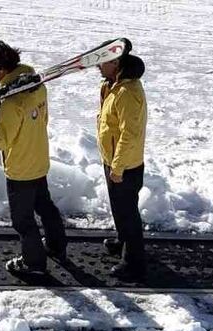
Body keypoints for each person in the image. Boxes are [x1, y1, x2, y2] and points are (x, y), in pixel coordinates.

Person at [0, 41, 67, 277]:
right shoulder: (36, 85)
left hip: (20, 169)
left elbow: (0, 141)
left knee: (22, 220)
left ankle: (34, 264)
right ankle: (56, 247)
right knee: (45, 206)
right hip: (39, 157)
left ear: (1, 69)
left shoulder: (12, 102)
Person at [96, 44, 148, 281]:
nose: (97, 65)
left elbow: (130, 134)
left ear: (115, 63)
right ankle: (122, 240)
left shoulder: (127, 92)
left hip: (125, 165)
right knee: (119, 208)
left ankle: (133, 261)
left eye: (102, 61)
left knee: (128, 213)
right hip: (115, 160)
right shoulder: (115, 86)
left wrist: (117, 167)